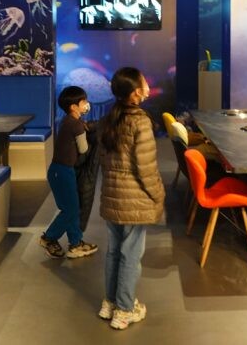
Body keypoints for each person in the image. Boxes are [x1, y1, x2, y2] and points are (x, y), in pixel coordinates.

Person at [97, 67, 165, 330]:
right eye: (144, 82)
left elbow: (104, 161)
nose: (147, 85)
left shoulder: (109, 119)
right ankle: (125, 310)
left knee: (114, 251)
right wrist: (158, 195)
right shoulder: (141, 122)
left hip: (112, 195)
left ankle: (110, 303)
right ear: (136, 92)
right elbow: (146, 169)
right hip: (134, 199)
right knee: (130, 255)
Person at [38, 86, 98, 259]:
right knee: (71, 210)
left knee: (72, 208)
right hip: (62, 172)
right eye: (84, 101)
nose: (87, 104)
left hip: (60, 171)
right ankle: (49, 238)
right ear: (74, 106)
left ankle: (76, 243)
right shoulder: (76, 124)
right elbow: (83, 148)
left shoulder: (67, 120)